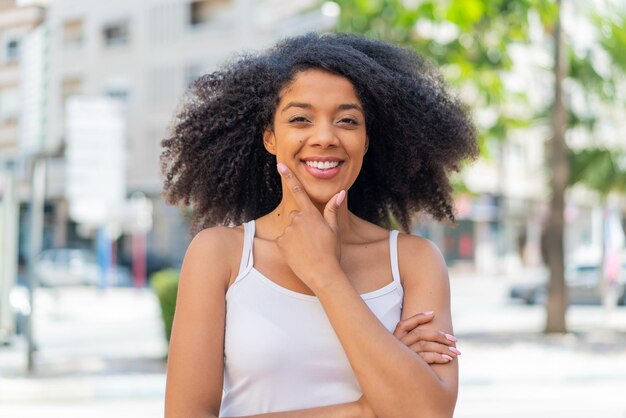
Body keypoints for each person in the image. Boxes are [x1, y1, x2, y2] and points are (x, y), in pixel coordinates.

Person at [161, 32, 477, 418]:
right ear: (271, 137)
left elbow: (428, 413)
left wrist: (325, 274)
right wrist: (365, 409)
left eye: (347, 120)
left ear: (366, 140)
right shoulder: (219, 255)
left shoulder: (414, 262)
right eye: (300, 119)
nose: (325, 137)